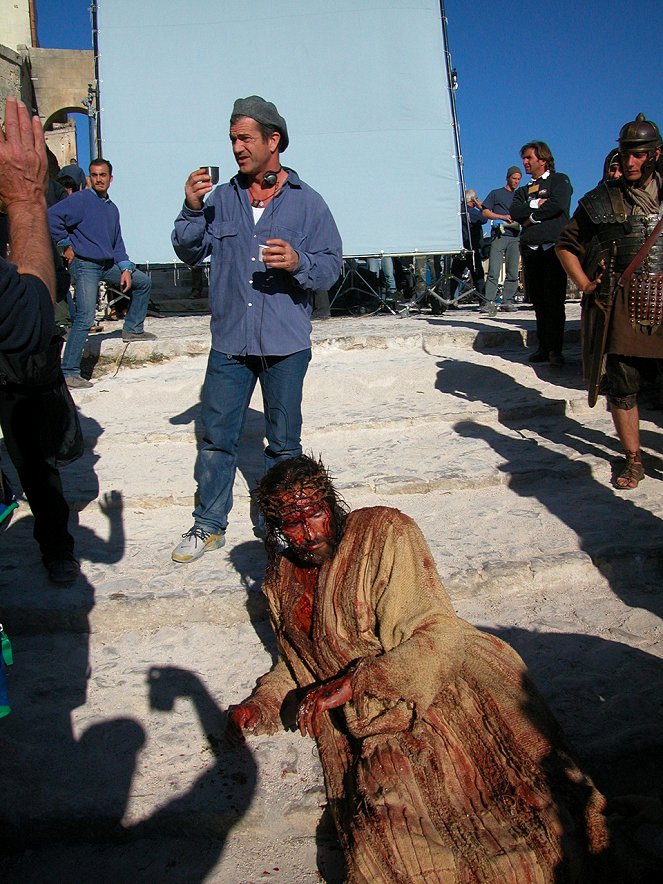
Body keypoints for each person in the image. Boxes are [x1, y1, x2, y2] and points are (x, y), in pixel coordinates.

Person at [225, 454, 629, 882]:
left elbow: (434, 628)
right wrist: (262, 704)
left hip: (439, 677)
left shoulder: (384, 531)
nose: (308, 533)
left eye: (315, 513)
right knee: (390, 830)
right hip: (369, 712)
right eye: (292, 522)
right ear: (275, 529)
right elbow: (297, 661)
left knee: (521, 813)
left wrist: (364, 680)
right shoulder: (280, 582)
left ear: (330, 503)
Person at [170, 95, 342, 563]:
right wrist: (189, 208)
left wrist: (298, 262)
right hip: (230, 342)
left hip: (285, 344)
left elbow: (331, 267)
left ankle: (278, 527)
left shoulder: (309, 204)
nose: (237, 148)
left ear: (274, 140)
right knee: (216, 438)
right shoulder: (221, 199)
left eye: (245, 138)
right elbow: (188, 250)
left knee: (283, 444)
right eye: (232, 139)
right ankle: (208, 525)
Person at [556, 113, 662, 490]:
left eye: (639, 154)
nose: (630, 162)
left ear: (655, 154)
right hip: (621, 305)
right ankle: (634, 459)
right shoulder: (601, 200)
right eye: (626, 154)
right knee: (622, 384)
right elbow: (566, 245)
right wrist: (585, 284)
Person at [48, 158, 154, 389]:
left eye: (103, 175)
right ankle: (69, 371)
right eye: (94, 175)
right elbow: (51, 217)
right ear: (89, 178)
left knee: (142, 281)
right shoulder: (80, 200)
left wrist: (125, 267)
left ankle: (132, 329)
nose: (99, 179)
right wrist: (65, 244)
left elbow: (117, 242)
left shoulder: (111, 208)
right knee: (85, 317)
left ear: (110, 179)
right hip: (85, 264)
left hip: (106, 264)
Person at [510, 142, 572, 365]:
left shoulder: (559, 180)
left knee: (554, 301)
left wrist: (532, 217)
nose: (525, 162)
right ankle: (543, 347)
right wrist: (536, 204)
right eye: (524, 158)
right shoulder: (524, 190)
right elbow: (515, 211)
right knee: (538, 300)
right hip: (531, 249)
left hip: (553, 249)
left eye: (528, 158)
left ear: (542, 159)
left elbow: (558, 204)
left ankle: (556, 349)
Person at [482, 165, 522, 315]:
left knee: (512, 271)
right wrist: (502, 217)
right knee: (494, 269)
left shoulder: (520, 195)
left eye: (519, 179)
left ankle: (508, 300)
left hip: (515, 236)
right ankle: (489, 301)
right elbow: (485, 212)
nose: (516, 182)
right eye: (514, 178)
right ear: (507, 178)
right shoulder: (496, 194)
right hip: (499, 235)